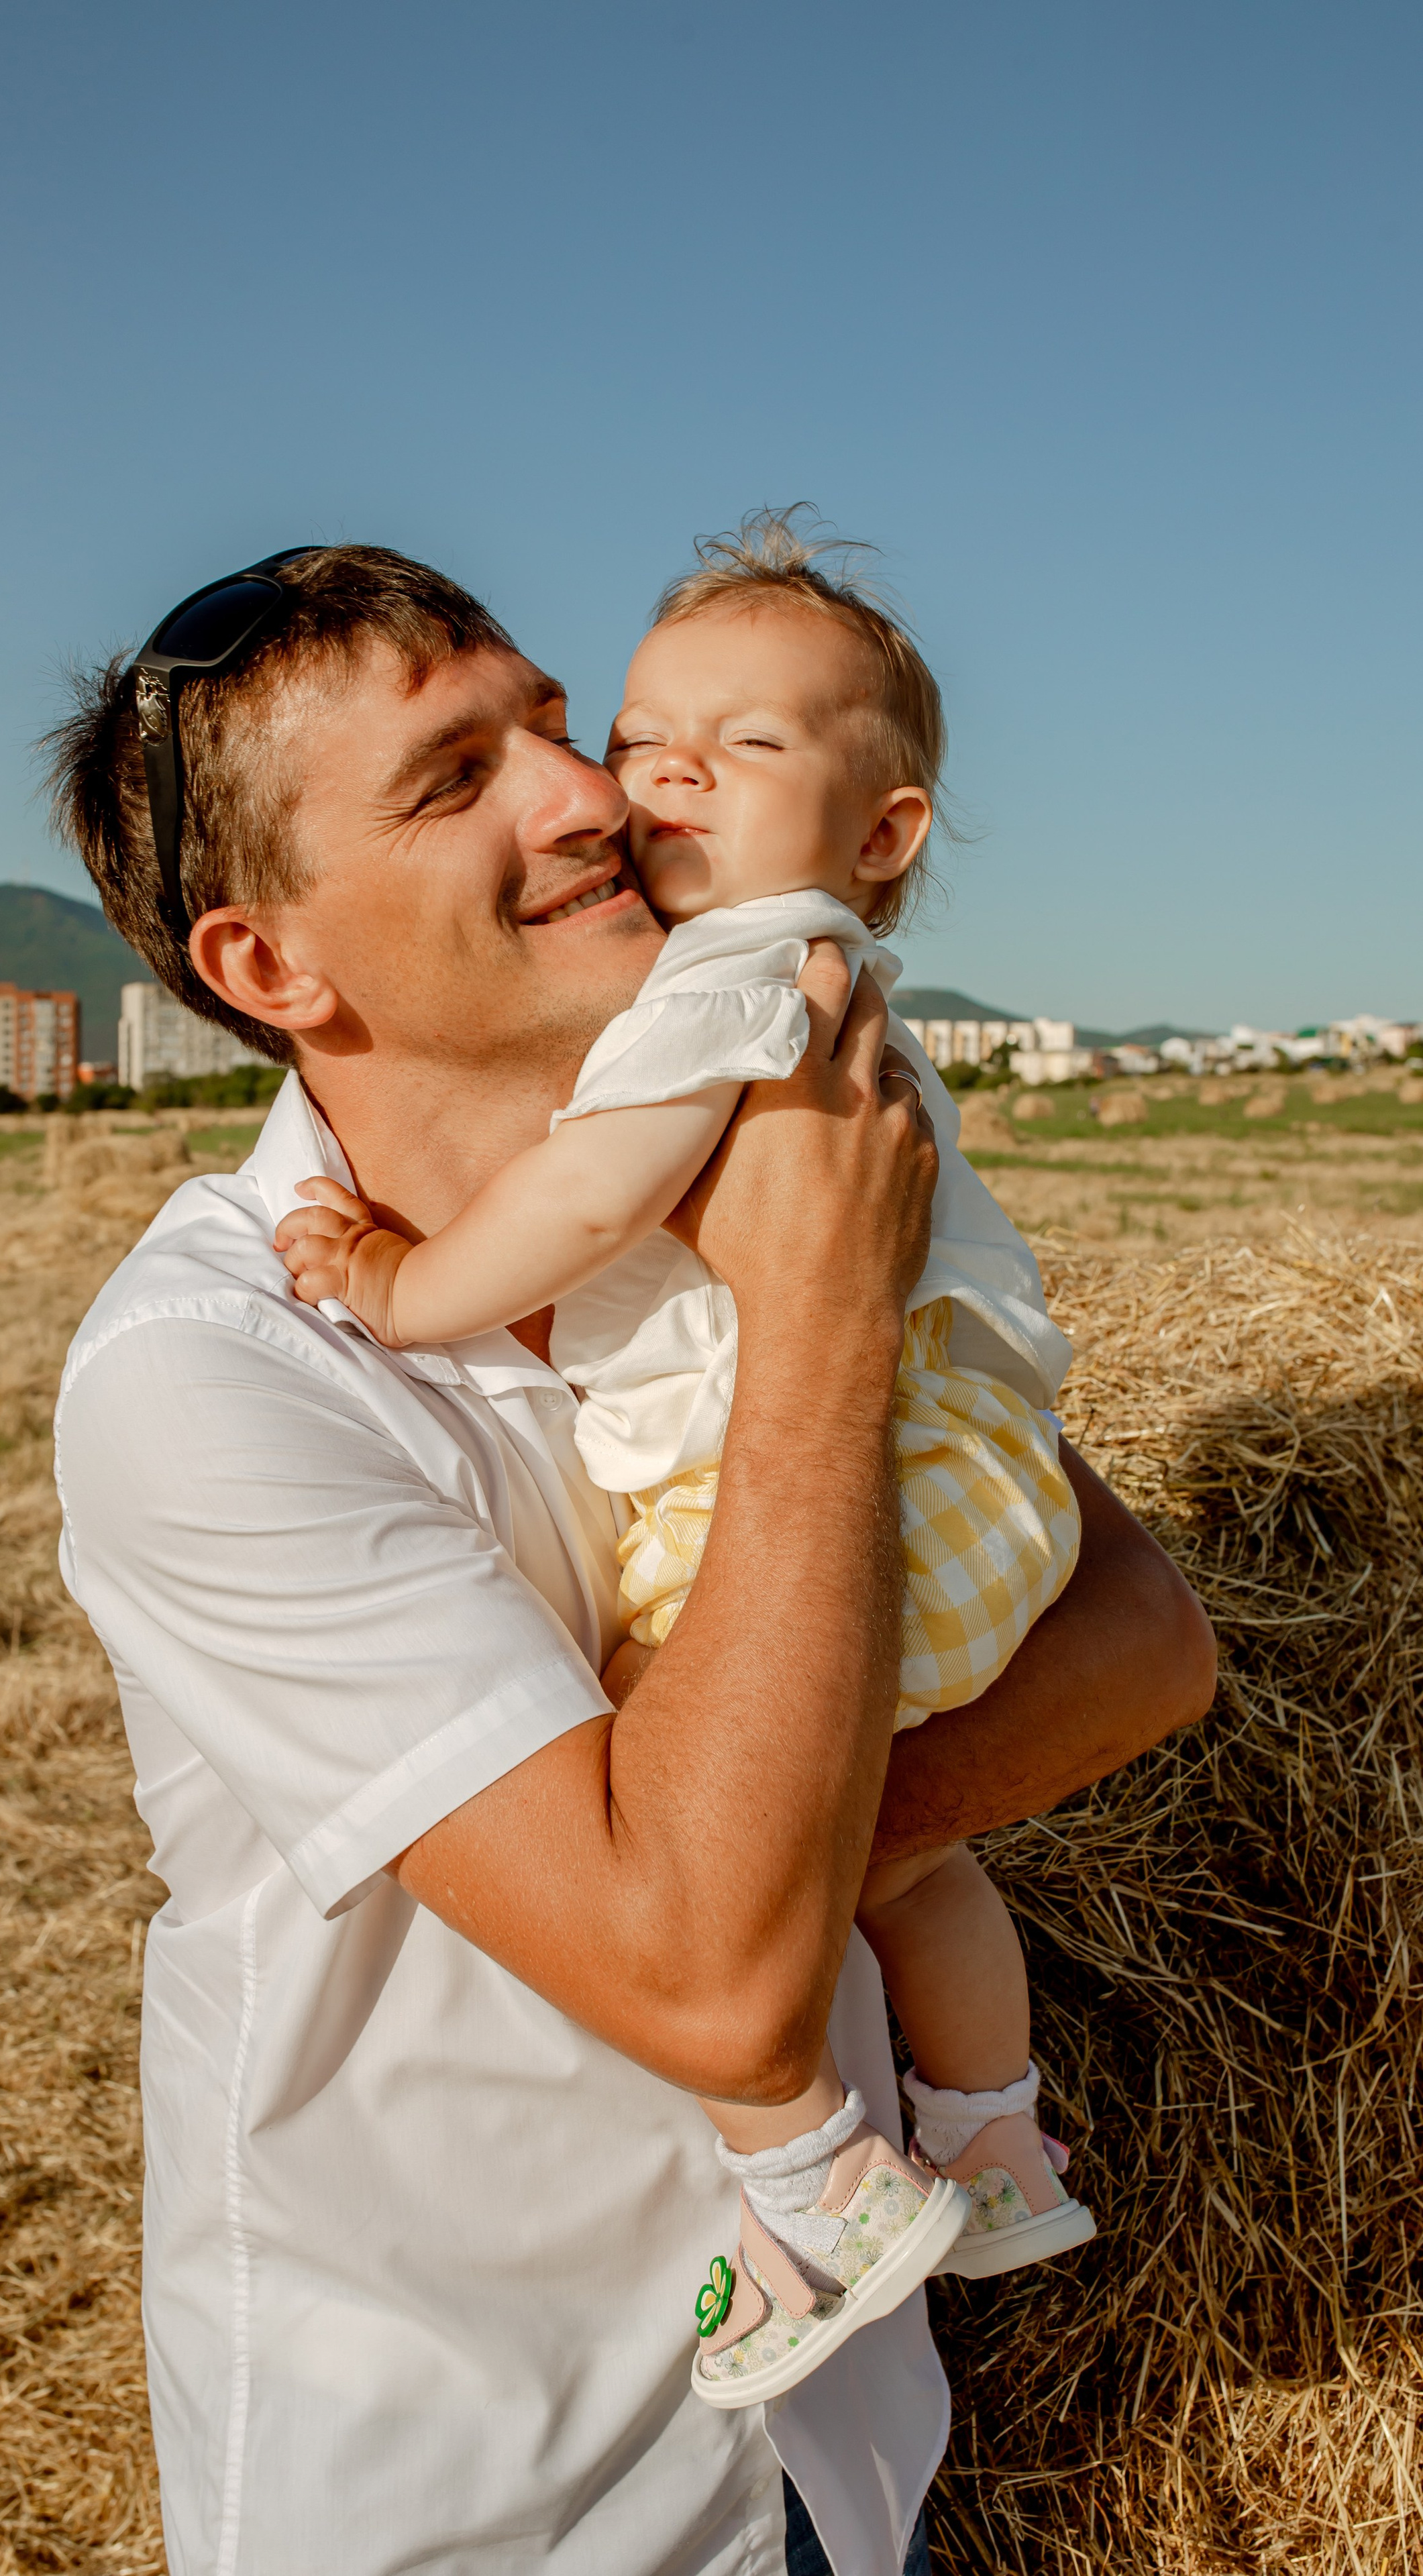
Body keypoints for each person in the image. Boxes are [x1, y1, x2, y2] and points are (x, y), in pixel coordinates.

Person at [46, 541, 1216, 2576]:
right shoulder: (213, 1377)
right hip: (498, 2490)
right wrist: (823, 1313)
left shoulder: (755, 1133)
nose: (593, 793)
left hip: (844, 2458)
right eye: (454, 777)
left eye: (552, 723)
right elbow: (717, 1981)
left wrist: (739, 1849)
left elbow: (1139, 1643)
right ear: (269, 968)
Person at [272, 516, 1094, 2414]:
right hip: (972, 1484)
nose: (639, 785)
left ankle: (817, 2176)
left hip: (910, 1490)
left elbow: (588, 1197)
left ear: (883, 832)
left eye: (745, 747)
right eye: (646, 738)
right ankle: (997, 2144)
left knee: (669, 1755)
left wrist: (396, 1286)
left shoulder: (730, 981)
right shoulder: (811, 982)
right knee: (914, 1857)